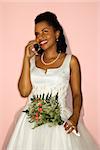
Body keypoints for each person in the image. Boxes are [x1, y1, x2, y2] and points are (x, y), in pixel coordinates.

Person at [7, 11, 99, 150]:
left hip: (59, 123)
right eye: (37, 34)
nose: (40, 37)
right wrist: (26, 59)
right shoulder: (32, 61)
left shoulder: (71, 61)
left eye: (45, 31)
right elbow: (24, 92)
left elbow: (76, 94)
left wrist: (75, 117)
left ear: (57, 34)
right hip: (30, 124)